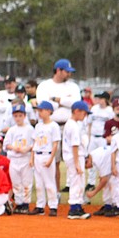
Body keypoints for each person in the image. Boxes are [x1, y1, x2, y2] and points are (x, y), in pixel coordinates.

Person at [35, 59, 81, 191]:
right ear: (58, 70)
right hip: (51, 125)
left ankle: (75, 194)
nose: (69, 74)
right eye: (67, 71)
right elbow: (45, 106)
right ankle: (54, 192)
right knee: (53, 162)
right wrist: (65, 102)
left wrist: (56, 99)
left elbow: (76, 104)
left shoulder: (73, 86)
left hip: (69, 125)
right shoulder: (45, 86)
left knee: (73, 160)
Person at [30, 101, 60, 216]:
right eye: (38, 111)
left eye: (41, 110)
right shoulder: (38, 126)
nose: (39, 113)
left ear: (49, 111)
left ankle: (53, 206)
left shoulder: (54, 126)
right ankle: (40, 205)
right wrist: (32, 158)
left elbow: (55, 144)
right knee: (38, 183)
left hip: (47, 155)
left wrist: (51, 159)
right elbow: (35, 142)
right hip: (37, 154)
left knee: (49, 182)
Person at [3, 104, 35, 213]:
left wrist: (27, 149)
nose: (18, 118)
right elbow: (6, 144)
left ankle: (25, 203)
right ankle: (19, 202)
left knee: (26, 182)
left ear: (24, 116)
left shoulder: (30, 129)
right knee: (16, 182)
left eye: (20, 115)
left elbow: (35, 144)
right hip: (14, 158)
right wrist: (13, 147)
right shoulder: (11, 130)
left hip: (25, 158)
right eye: (16, 116)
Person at [62, 101, 91, 219]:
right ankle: (74, 209)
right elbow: (75, 145)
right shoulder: (73, 125)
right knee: (77, 182)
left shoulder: (71, 124)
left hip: (73, 157)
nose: (85, 116)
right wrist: (77, 163)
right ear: (76, 111)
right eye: (84, 113)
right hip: (75, 157)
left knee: (78, 182)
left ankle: (77, 206)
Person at [86, 119, 119, 216]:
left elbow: (104, 180)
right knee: (108, 183)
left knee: (113, 183)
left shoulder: (98, 158)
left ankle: (117, 207)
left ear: (87, 160)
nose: (87, 168)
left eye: (86, 166)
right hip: (113, 161)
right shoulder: (94, 154)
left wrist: (93, 193)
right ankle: (108, 206)